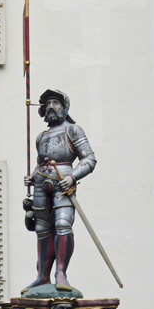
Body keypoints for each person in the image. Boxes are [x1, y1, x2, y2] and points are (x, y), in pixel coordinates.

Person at [23, 89, 96, 291]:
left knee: (63, 224)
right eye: (47, 104)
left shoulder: (73, 130)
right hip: (40, 185)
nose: (51, 107)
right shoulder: (41, 137)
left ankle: (61, 273)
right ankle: (42, 276)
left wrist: (73, 176)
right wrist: (32, 175)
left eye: (55, 102)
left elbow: (89, 159)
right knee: (42, 229)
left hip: (62, 183)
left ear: (64, 107)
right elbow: (40, 163)